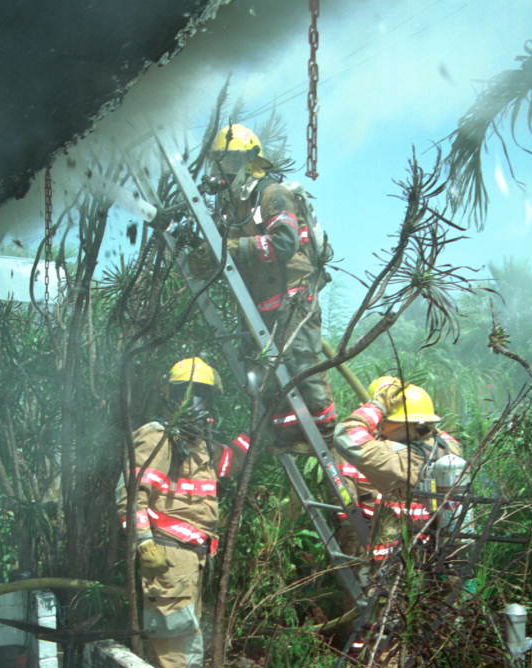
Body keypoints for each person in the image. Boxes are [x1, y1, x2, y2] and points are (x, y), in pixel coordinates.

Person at [189, 122, 336, 452]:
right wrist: (203, 254)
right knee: (264, 372)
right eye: (219, 161)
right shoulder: (236, 206)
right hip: (262, 300)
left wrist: (228, 248)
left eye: (229, 160)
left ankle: (325, 433)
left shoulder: (273, 194)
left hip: (294, 292)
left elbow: (283, 244)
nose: (222, 169)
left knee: (300, 363)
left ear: (249, 162)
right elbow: (229, 248)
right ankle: (287, 436)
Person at [116, 356, 250, 668]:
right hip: (167, 554)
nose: (195, 402)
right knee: (174, 642)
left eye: (203, 393)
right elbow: (131, 495)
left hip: (192, 556)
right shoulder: (158, 436)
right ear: (170, 395)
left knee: (185, 634)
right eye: (187, 393)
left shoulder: (198, 445)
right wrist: (144, 542)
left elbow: (230, 461)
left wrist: (256, 432)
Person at [333, 376, 465, 572]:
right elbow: (431, 431)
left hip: (392, 564)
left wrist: (376, 407)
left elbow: (346, 434)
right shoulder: (450, 448)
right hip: (436, 553)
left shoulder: (394, 459)